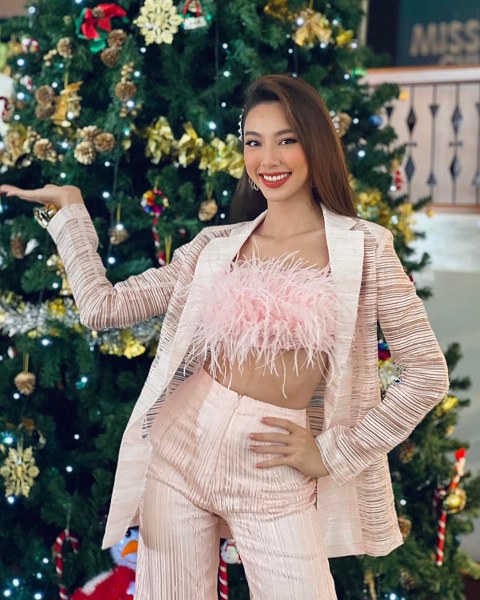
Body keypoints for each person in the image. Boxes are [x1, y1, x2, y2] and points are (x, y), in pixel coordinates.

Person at [1, 74, 449, 600]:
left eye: (286, 140)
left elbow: (427, 374)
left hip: (273, 469)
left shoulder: (364, 248)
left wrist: (332, 453)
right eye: (253, 143)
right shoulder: (215, 246)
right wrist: (70, 211)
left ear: (315, 144)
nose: (268, 159)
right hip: (179, 450)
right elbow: (105, 308)